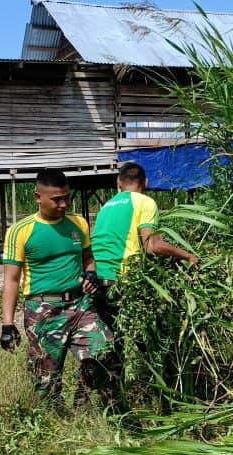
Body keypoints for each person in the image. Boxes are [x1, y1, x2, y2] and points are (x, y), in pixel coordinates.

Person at [0, 168, 114, 411]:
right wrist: (7, 325)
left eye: (67, 197)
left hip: (81, 305)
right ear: (37, 197)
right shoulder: (21, 231)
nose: (63, 204)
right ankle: (55, 418)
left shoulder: (78, 223)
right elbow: (11, 280)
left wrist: (91, 273)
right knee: (46, 380)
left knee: (105, 352)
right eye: (56, 199)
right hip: (43, 310)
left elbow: (87, 258)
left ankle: (84, 402)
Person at [87, 162, 199, 411]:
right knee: (152, 342)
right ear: (145, 183)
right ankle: (164, 400)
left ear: (118, 183)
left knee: (112, 344)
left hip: (99, 283)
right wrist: (187, 255)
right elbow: (152, 245)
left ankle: (107, 403)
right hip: (124, 281)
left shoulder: (106, 206)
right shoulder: (144, 202)